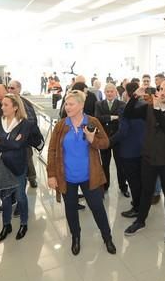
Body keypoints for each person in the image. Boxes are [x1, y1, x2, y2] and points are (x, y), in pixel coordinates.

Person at [47, 90, 116, 255]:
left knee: (97, 208)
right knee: (70, 209)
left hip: (89, 176)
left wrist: (92, 140)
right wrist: (51, 175)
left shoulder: (92, 122)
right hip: (67, 177)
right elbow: (52, 150)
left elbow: (105, 143)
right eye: (66, 103)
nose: (67, 106)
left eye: (71, 104)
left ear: (81, 105)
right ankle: (75, 237)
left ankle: (107, 237)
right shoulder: (61, 125)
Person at [123, 79, 165, 242]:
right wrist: (135, 96)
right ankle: (140, 221)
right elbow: (128, 113)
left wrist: (157, 109)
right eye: (161, 88)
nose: (163, 92)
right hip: (148, 158)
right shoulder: (148, 108)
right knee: (146, 191)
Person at [0, 94, 33, 242]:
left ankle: (24, 223)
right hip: (2, 166)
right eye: (2, 104)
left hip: (18, 165)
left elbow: (19, 145)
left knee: (20, 196)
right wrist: (8, 142)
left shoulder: (24, 124)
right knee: (5, 198)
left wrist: (0, 141)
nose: (2, 107)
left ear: (15, 107)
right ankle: (6, 225)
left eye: (6, 105)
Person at [110, 82, 146, 218]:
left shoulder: (125, 109)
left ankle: (137, 208)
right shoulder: (145, 106)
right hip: (142, 149)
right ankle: (140, 204)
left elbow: (123, 132)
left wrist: (109, 141)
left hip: (128, 151)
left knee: (133, 181)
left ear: (126, 93)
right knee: (141, 180)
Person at [95, 83, 129, 197]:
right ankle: (105, 186)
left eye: (111, 91)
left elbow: (123, 119)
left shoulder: (122, 104)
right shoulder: (99, 104)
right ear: (104, 92)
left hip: (118, 139)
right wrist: (113, 117)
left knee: (121, 164)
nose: (109, 93)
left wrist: (107, 117)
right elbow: (97, 118)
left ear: (116, 92)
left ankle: (123, 186)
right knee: (105, 164)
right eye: (107, 91)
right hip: (104, 138)